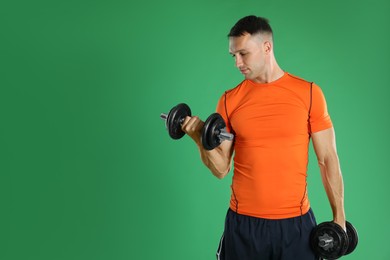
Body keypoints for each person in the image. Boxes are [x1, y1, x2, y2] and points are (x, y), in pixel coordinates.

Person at [181, 15, 346, 260]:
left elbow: (328, 159)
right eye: (233, 56)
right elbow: (221, 169)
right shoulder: (229, 100)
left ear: (267, 47)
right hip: (244, 225)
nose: (237, 63)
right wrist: (198, 138)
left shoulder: (309, 94)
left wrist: (339, 218)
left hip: (296, 226)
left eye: (243, 54)